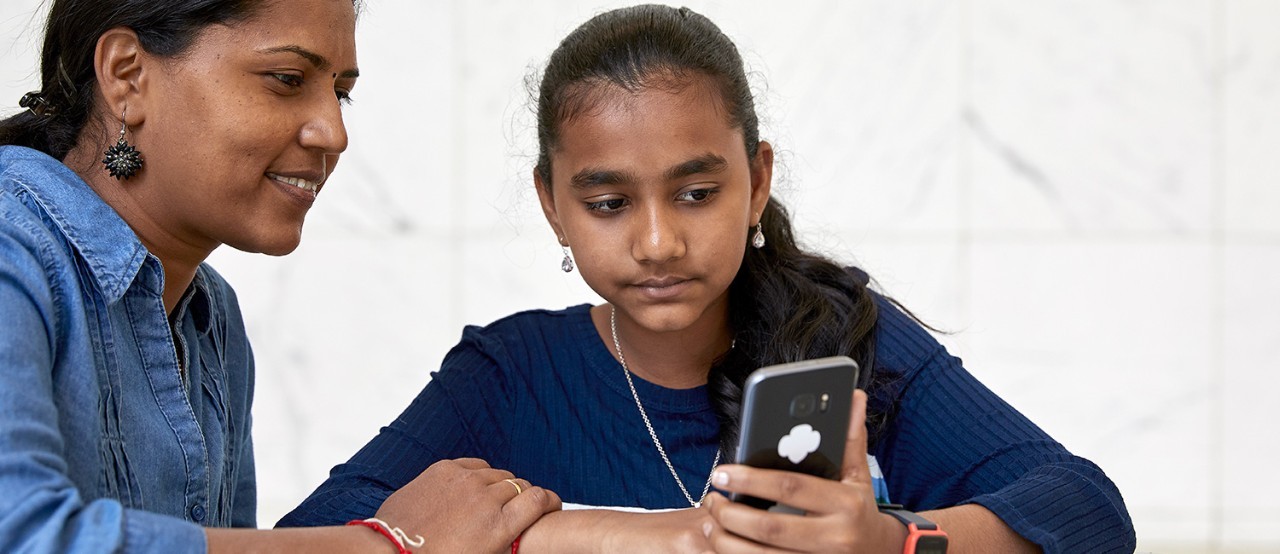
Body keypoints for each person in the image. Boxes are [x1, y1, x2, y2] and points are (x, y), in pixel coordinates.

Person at [280, 4, 1136, 553]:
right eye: (609, 202)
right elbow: (316, 534)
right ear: (553, 207)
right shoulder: (510, 377)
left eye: (696, 192)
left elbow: (1089, 513)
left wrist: (888, 541)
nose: (658, 242)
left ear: (756, 181)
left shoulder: (844, 344)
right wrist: (595, 536)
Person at [0, 0, 559, 552]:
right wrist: (388, 544)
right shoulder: (13, 249)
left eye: (340, 92)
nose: (333, 133)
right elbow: (23, 535)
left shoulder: (211, 315)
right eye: (287, 79)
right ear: (127, 76)